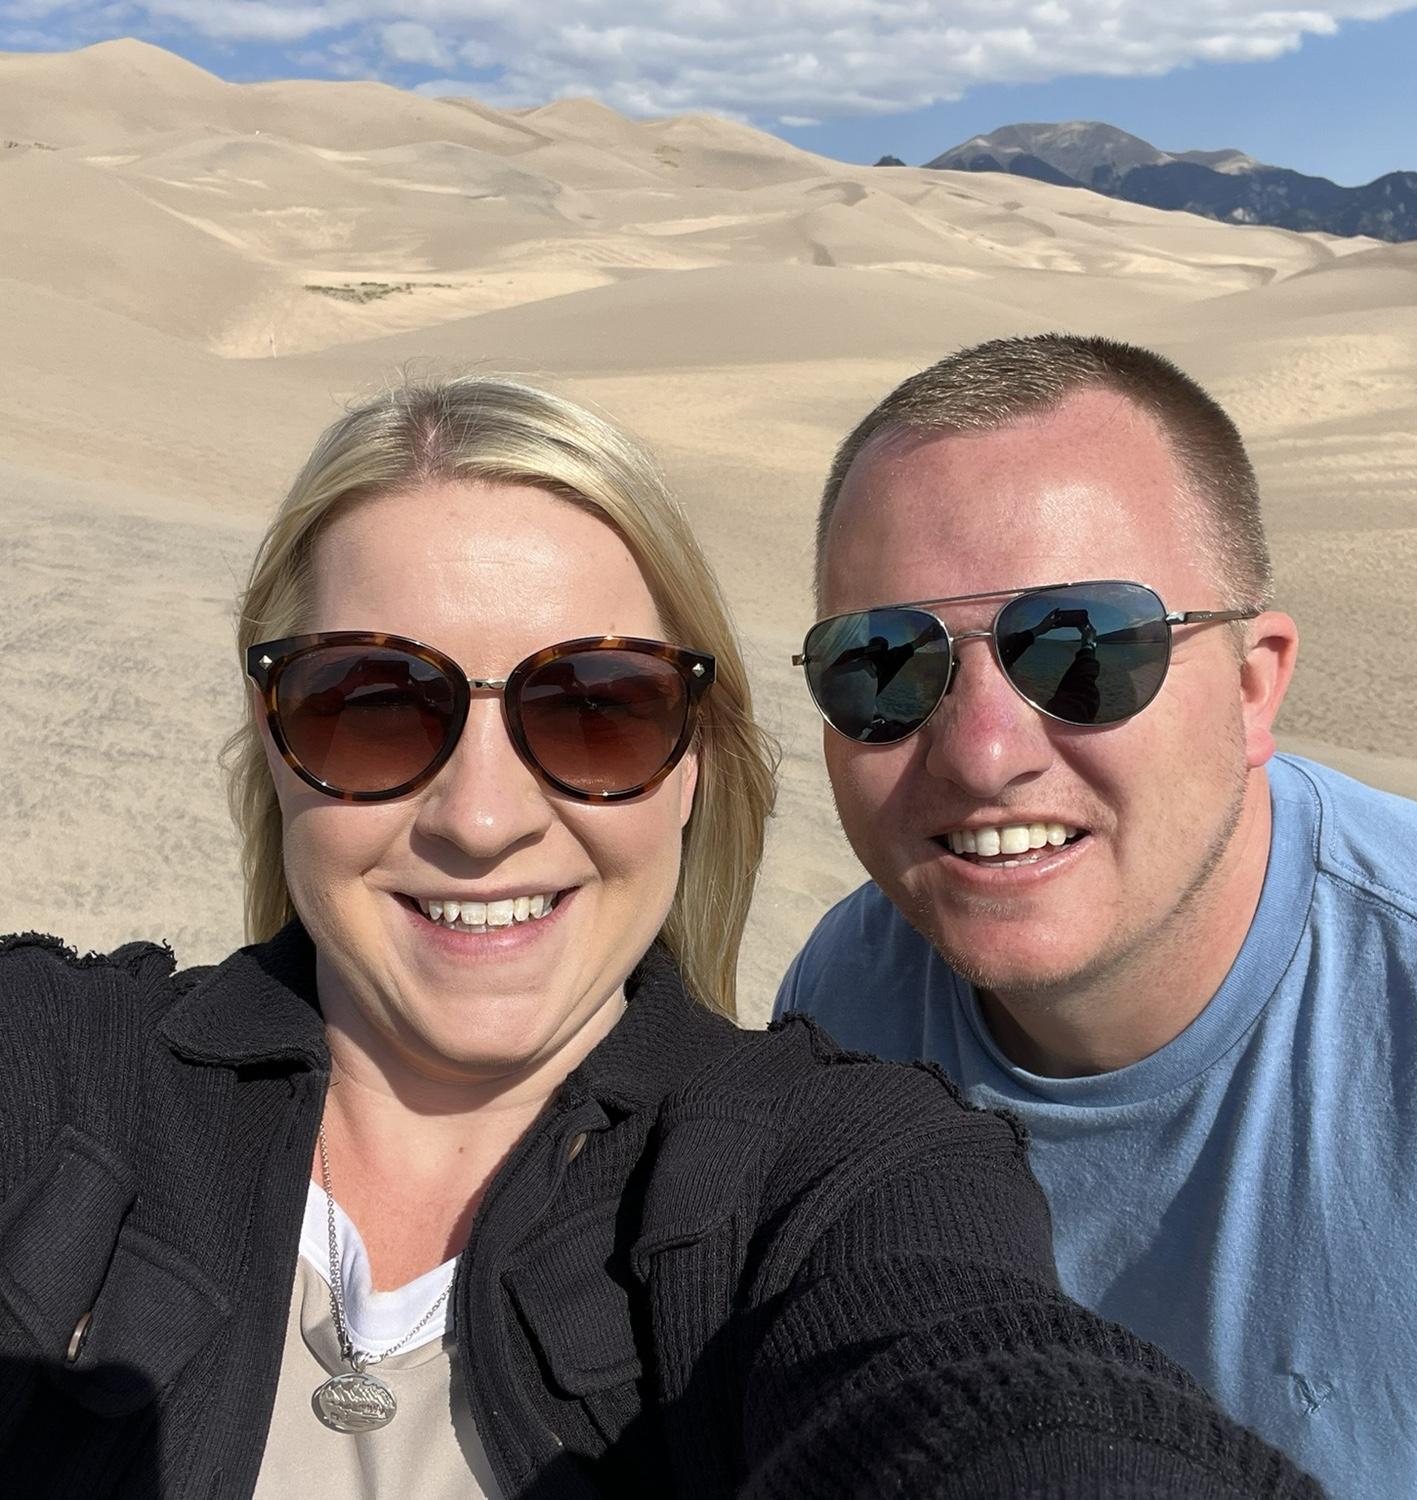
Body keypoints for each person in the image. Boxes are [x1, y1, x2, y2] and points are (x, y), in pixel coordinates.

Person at [0, 374, 1320, 1499]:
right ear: (277, 739)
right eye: (372, 706)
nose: (481, 818)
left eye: (596, 711)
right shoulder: (54, 1066)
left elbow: (987, 1391)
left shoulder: (834, 1172)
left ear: (698, 758)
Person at [776, 332, 1417, 1500]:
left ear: (1255, 683)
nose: (983, 754)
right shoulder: (844, 997)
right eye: (884, 666)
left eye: (1081, 652)